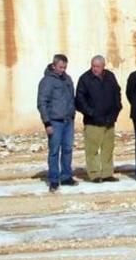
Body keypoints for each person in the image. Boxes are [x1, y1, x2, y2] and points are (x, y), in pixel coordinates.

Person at [75, 55, 122, 183]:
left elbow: (117, 93)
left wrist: (116, 110)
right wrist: (91, 113)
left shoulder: (110, 77)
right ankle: (94, 174)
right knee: (92, 150)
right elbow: (80, 99)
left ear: (103, 66)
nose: (94, 69)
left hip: (109, 120)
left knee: (108, 149)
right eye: (93, 66)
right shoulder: (85, 79)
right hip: (93, 121)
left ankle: (107, 173)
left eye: (97, 66)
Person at [37, 53, 78, 192]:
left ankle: (66, 176)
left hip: (68, 120)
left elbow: (71, 98)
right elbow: (42, 103)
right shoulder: (47, 81)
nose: (63, 70)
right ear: (54, 65)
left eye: (65, 67)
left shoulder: (67, 79)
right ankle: (54, 179)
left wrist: (73, 114)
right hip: (55, 121)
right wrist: (47, 123)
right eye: (60, 67)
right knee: (54, 151)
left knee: (67, 149)